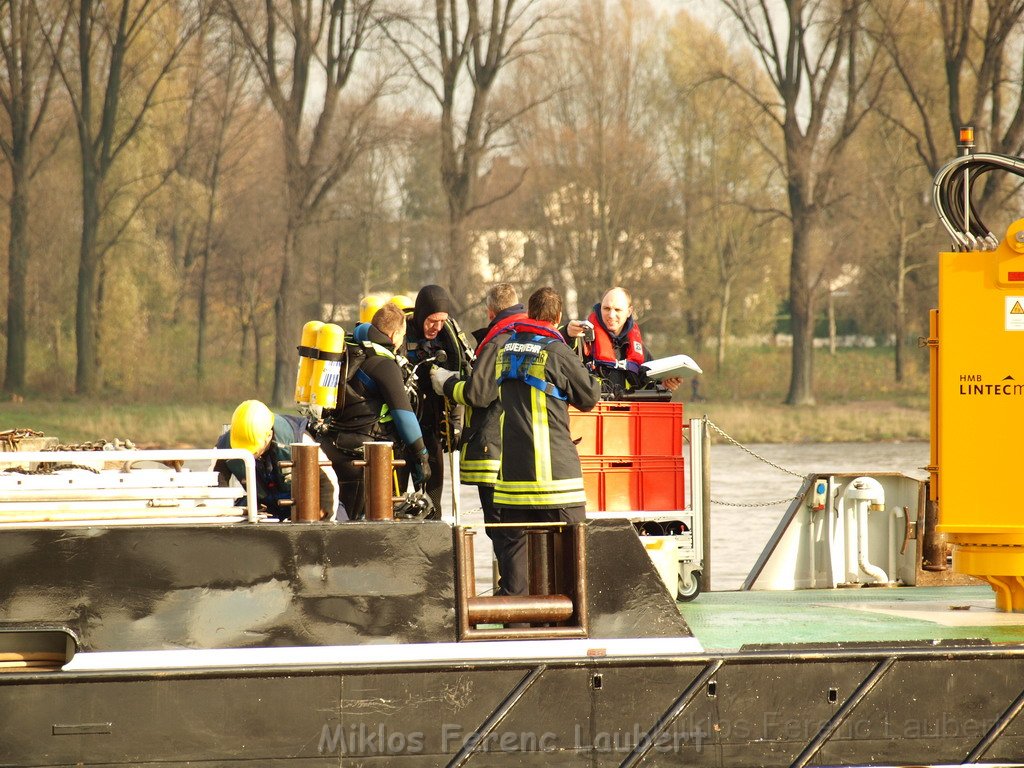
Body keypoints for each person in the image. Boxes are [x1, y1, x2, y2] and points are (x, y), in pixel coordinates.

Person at [493, 287, 602, 596]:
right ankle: (567, 628)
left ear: (529, 314)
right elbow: (589, 397)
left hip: (513, 480)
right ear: (557, 318)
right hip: (556, 480)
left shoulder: (505, 350)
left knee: (516, 581)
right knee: (572, 570)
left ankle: (515, 631)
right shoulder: (557, 351)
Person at [431, 283, 526, 594]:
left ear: (490, 312)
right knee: (517, 527)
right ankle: (520, 590)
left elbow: (478, 393)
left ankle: (511, 593)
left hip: (492, 447)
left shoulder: (497, 340)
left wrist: (446, 384)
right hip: (521, 447)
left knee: (500, 527)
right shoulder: (528, 335)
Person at [317, 302, 431, 519]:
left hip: (332, 446)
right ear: (396, 333)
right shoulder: (384, 364)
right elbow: (405, 416)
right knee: (359, 526)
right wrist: (421, 455)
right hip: (362, 458)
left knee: (334, 518)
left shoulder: (349, 351)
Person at [404, 285, 474, 513]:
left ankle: (435, 524)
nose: (437, 327)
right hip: (402, 423)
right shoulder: (404, 333)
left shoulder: (447, 336)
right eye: (432, 321)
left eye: (442, 321)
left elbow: (465, 371)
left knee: (434, 497)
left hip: (432, 424)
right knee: (395, 497)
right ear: (422, 314)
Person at [213, 399, 340, 521]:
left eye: (253, 449)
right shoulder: (224, 447)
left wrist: (324, 522)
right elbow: (215, 486)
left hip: (302, 507)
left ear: (269, 435)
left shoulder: (299, 439)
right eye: (243, 449)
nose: (249, 454)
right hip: (260, 507)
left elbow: (328, 481)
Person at [563, 286, 683, 398]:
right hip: (592, 414)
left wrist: (664, 385)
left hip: (627, 416)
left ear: (629, 311)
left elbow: (647, 389)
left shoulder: (638, 349)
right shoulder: (581, 336)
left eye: (617, 310)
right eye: (606, 308)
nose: (611, 315)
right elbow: (554, 351)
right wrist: (566, 333)